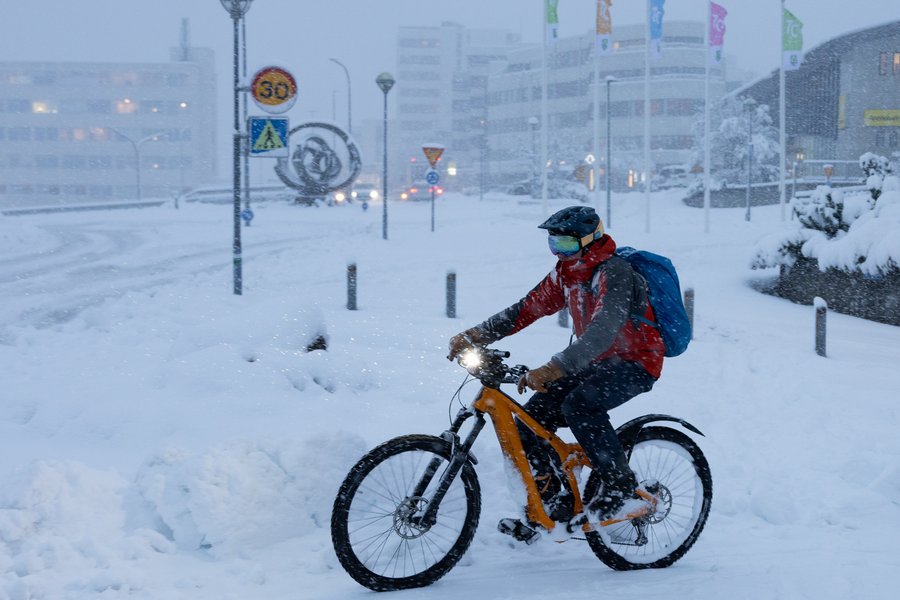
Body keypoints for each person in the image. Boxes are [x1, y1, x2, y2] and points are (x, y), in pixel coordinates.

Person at [447, 205, 665, 534]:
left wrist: (554, 368)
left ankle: (621, 488)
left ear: (591, 240)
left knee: (580, 405)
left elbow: (604, 330)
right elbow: (526, 308)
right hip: (593, 362)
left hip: (636, 362)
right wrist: (476, 334)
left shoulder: (615, 273)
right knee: (529, 423)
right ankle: (550, 505)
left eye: (565, 245)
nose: (559, 253)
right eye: (554, 245)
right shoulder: (566, 274)